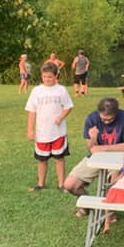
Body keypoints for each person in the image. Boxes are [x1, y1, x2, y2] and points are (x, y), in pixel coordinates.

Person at [63, 97, 124, 198]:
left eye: (110, 119)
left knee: (114, 184)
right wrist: (93, 138)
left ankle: (108, 206)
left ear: (116, 113)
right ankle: (90, 204)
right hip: (96, 157)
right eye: (103, 119)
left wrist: (103, 148)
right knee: (70, 185)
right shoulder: (91, 118)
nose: (106, 122)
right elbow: (91, 148)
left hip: (119, 158)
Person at [25, 62, 73, 192]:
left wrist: (60, 117)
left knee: (59, 158)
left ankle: (61, 184)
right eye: (44, 76)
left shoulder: (61, 90)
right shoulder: (37, 91)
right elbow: (31, 111)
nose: (47, 79)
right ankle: (41, 184)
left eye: (50, 77)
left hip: (58, 132)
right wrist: (30, 130)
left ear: (56, 76)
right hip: (42, 132)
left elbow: (68, 107)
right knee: (42, 160)